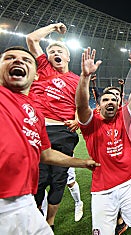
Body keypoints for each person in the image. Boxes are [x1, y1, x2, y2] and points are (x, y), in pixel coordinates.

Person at [0, 46, 98, 235]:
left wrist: (83, 162)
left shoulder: (35, 114)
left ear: (35, 74)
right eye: (9, 58)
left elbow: (45, 153)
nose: (18, 61)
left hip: (23, 202)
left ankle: (58, 213)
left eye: (27, 60)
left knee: (58, 182)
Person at [76, 47, 131, 235]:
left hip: (128, 182)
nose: (110, 101)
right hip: (103, 189)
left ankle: (126, 220)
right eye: (106, 99)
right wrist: (85, 77)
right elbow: (81, 104)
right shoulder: (91, 123)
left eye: (114, 99)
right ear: (99, 104)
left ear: (119, 104)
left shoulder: (123, 116)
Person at [26, 23, 81, 230]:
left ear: (68, 58)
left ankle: (50, 222)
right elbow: (31, 39)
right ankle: (36, 217)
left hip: (63, 132)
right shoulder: (44, 69)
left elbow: (80, 104)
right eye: (51, 51)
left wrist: (76, 118)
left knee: (59, 179)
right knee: (38, 179)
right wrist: (53, 28)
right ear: (46, 58)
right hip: (38, 131)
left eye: (60, 51)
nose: (55, 53)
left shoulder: (76, 80)